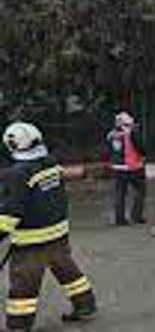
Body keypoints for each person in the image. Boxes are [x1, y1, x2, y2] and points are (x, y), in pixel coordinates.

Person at [0, 122, 97, 330]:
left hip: (31, 242)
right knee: (68, 271)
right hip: (59, 234)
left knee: (24, 284)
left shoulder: (18, 174)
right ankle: (85, 305)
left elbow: (10, 213)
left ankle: (19, 325)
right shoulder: (51, 164)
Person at [104, 112, 146, 225]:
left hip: (117, 168)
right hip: (133, 167)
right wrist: (143, 156)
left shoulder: (110, 135)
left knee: (120, 194)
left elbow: (107, 151)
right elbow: (140, 147)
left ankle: (120, 219)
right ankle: (136, 216)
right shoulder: (131, 133)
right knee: (140, 191)